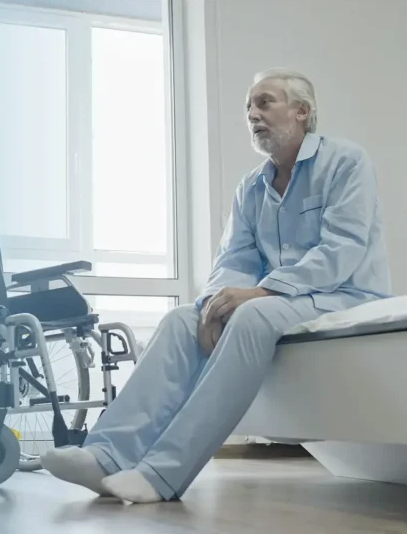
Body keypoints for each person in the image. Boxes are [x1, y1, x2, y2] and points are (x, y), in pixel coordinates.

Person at [40, 68, 392, 503]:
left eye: (265, 102)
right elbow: (234, 259)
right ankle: (105, 456)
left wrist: (260, 293)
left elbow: (342, 249)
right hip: (280, 299)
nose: (252, 114)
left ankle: (162, 474)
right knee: (179, 320)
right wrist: (213, 304)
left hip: (344, 294)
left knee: (252, 314)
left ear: (302, 111)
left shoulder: (345, 161)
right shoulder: (251, 187)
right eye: (248, 106)